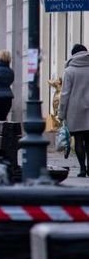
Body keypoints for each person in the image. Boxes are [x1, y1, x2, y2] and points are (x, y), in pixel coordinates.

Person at [59, 43, 89, 178]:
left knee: (78, 140)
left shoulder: (69, 71)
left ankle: (82, 169)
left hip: (75, 110)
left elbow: (65, 94)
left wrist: (61, 114)